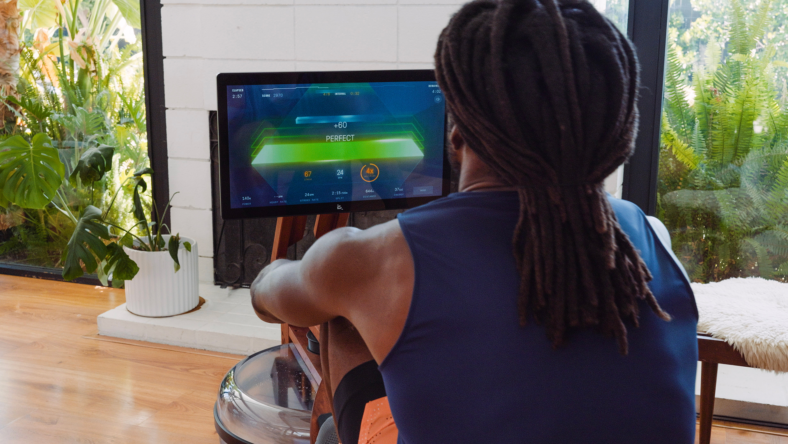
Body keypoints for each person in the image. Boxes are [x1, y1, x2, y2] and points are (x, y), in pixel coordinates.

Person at [251, 0, 699, 442]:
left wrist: (303, 273)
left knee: (340, 314)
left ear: (457, 132)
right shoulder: (651, 239)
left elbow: (267, 297)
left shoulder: (371, 262)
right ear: (613, 133)